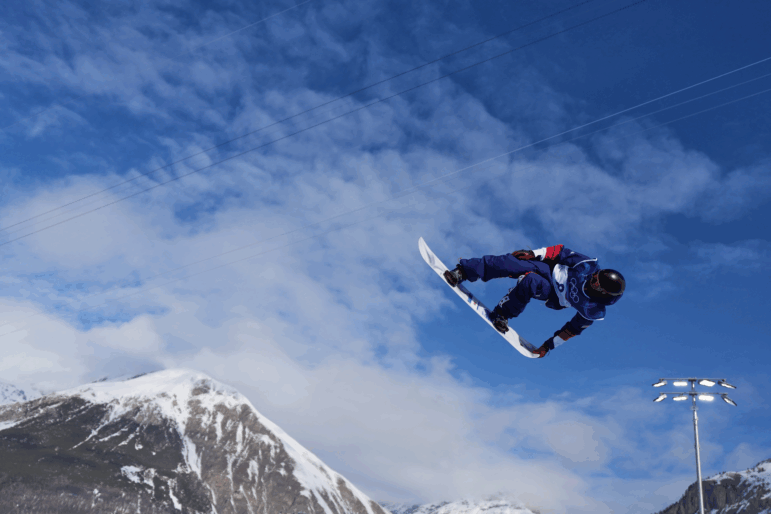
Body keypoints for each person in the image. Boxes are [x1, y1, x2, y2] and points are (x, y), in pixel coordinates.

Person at [443, 244, 625, 358]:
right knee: (510, 263)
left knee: (530, 281)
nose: (592, 278)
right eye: (596, 276)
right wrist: (533, 253)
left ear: (601, 291)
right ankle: (463, 272)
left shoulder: (593, 309)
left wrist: (548, 346)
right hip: (548, 269)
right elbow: (560, 252)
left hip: (553, 294)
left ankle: (502, 314)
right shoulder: (588, 266)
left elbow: (571, 330)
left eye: (596, 281)